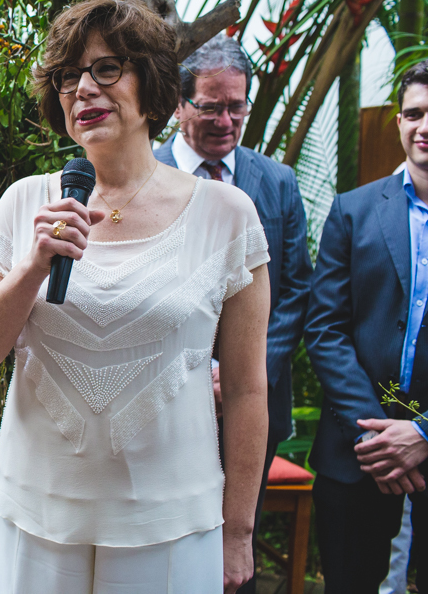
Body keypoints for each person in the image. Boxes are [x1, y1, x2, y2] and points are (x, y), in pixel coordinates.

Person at [0, 0, 271, 594]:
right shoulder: (26, 202)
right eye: (68, 76)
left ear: (151, 85)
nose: (83, 89)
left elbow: (248, 388)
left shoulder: (227, 215)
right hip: (38, 517)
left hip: (171, 526)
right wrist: (32, 267)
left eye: (106, 69)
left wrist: (238, 531)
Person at [155, 34, 313, 594]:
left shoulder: (278, 181)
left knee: (233, 563)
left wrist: (245, 370)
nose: (226, 121)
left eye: (237, 106)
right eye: (211, 107)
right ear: (179, 105)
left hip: (252, 405)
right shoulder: (142, 174)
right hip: (164, 401)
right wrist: (200, 370)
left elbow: (296, 290)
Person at [305, 59, 428, 592]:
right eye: (414, 114)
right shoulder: (352, 211)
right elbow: (325, 328)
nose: (424, 126)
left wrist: (422, 433)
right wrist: (378, 435)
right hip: (356, 453)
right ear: (399, 122)